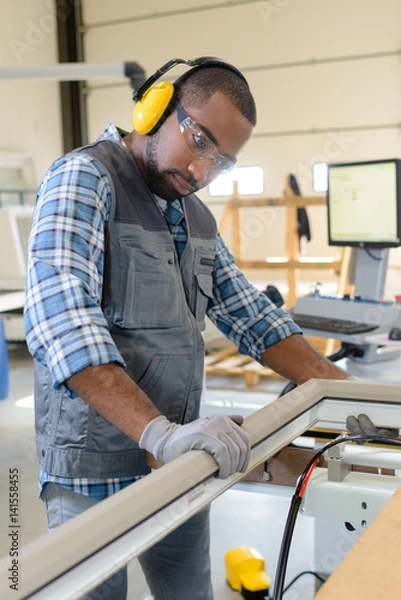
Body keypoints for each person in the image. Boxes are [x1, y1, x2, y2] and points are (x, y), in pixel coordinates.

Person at [24, 56, 349, 600]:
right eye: (199, 139)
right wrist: (161, 433)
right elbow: (62, 319)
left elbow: (252, 315)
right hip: (93, 470)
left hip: (178, 463)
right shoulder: (85, 177)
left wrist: (343, 390)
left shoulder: (193, 214)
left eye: (222, 162)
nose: (202, 171)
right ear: (155, 106)